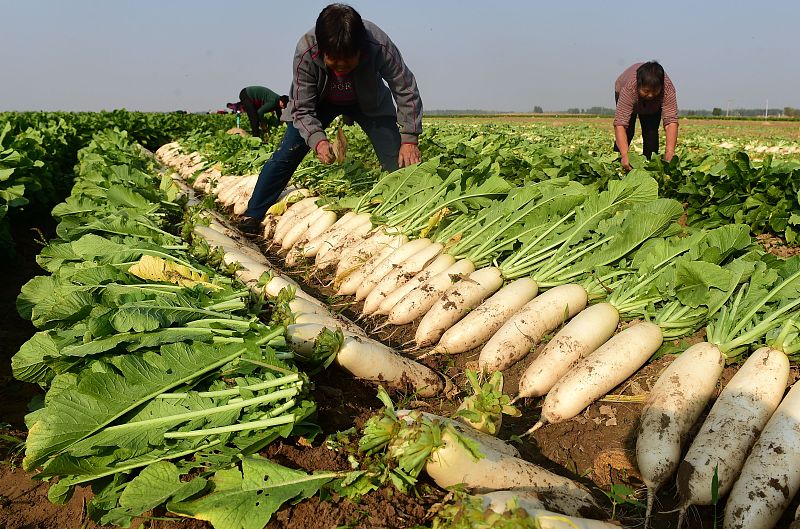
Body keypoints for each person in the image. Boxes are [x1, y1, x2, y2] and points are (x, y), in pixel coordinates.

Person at [238, 3, 423, 234]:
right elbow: (302, 107)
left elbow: (404, 87)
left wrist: (409, 138)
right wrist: (318, 140)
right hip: (319, 103)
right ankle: (253, 213)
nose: (341, 66)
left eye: (348, 60)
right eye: (334, 60)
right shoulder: (306, 49)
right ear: (322, 51)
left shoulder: (378, 44)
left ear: (361, 49)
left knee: (399, 161)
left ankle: (409, 215)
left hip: (369, 102)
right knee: (286, 154)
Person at [613, 61, 678, 171]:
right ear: (638, 85)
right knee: (628, 131)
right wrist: (624, 155)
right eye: (646, 91)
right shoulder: (629, 88)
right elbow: (620, 124)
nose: (650, 95)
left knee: (651, 132)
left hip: (654, 106)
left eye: (655, 91)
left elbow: (671, 122)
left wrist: (670, 151)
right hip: (624, 90)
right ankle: (618, 163)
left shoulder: (668, 89)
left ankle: (649, 167)